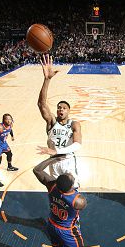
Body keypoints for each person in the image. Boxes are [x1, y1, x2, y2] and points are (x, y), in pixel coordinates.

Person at [33, 157, 92, 247]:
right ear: (71, 186)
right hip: (67, 231)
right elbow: (82, 205)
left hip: (52, 224)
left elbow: (37, 170)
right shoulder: (78, 200)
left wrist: (52, 158)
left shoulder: (51, 185)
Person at [35, 54, 82, 188]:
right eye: (58, 108)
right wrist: (47, 79)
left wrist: (57, 152)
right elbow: (41, 104)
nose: (61, 109)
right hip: (54, 163)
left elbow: (78, 145)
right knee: (54, 190)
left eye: (64, 108)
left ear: (68, 111)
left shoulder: (74, 124)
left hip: (67, 161)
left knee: (73, 189)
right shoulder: (51, 122)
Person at [0, 113, 19, 187]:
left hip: (4, 143)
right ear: (3, 120)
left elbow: (10, 130)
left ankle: (9, 167)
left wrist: (12, 136)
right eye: (7, 119)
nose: (9, 121)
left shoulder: (11, 124)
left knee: (10, 154)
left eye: (10, 119)